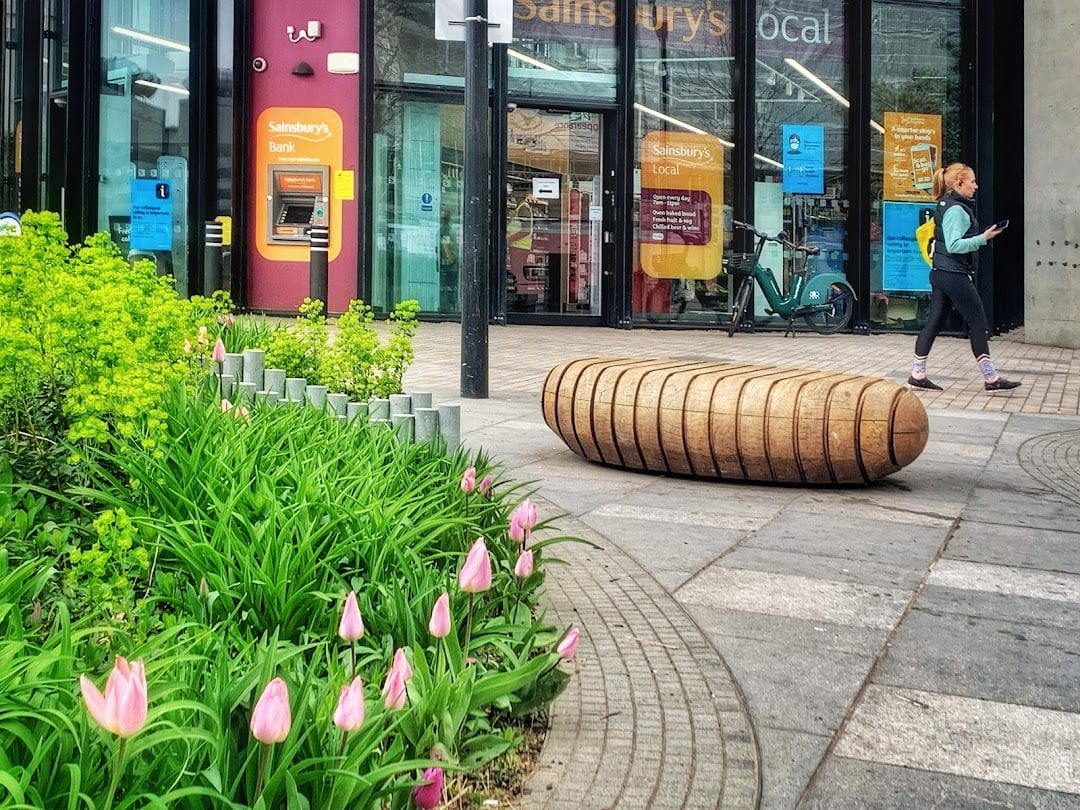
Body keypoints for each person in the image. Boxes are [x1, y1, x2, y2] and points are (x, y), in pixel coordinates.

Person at [908, 162, 1020, 392]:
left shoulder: (945, 204)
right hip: (953, 274)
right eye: (972, 182)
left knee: (935, 322)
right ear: (959, 183)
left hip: (941, 272)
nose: (976, 186)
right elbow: (955, 244)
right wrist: (984, 237)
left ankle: (917, 373)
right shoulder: (957, 210)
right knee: (978, 324)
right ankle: (991, 378)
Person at [438, 211, 458, 312]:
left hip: (448, 265)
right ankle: (450, 306)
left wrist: (448, 261)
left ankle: (448, 307)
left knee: (446, 287)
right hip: (451, 265)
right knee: (450, 287)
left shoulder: (446, 231)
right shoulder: (450, 230)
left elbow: (447, 249)